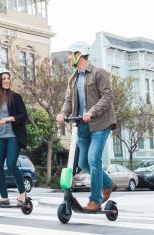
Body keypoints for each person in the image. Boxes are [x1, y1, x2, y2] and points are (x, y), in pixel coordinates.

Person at [56, 41, 118, 211]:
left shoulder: (99, 73)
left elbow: (107, 97)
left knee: (93, 160)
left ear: (79, 54)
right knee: (83, 162)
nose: (68, 57)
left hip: (99, 123)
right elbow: (69, 100)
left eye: (70, 54)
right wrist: (63, 113)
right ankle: (108, 184)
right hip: (81, 126)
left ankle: (95, 200)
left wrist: (91, 112)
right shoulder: (73, 78)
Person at [0, 68, 29, 206]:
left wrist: (9, 118)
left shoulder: (16, 97)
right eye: (4, 79)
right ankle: (4, 197)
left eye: (8, 78)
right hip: (0, 137)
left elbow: (23, 116)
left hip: (13, 136)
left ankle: (22, 193)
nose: (7, 81)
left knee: (11, 164)